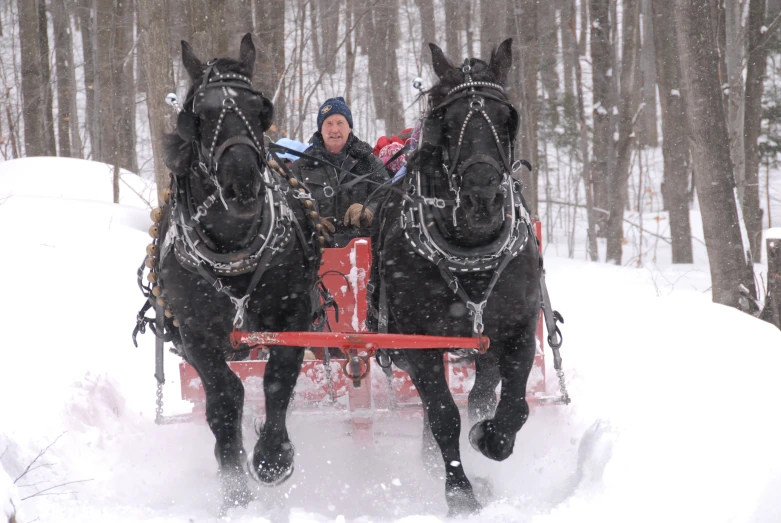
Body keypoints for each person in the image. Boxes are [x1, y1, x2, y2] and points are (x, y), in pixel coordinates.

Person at [289, 97, 390, 241]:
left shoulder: (370, 162)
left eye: (340, 123)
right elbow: (286, 203)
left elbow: (388, 198)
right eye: (328, 123)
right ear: (321, 129)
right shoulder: (301, 166)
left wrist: (369, 211)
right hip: (316, 251)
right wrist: (310, 220)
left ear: (349, 127)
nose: (334, 129)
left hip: (364, 249)